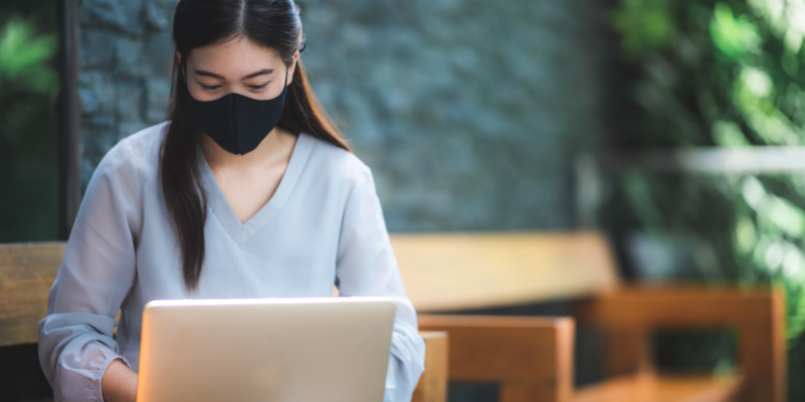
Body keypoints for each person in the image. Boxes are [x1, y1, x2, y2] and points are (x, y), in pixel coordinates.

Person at [36, 1, 426, 401]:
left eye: (258, 85)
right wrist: (149, 394)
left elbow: (398, 343)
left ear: (292, 64)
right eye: (210, 85)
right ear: (180, 63)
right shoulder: (131, 171)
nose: (235, 105)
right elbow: (70, 335)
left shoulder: (342, 179)